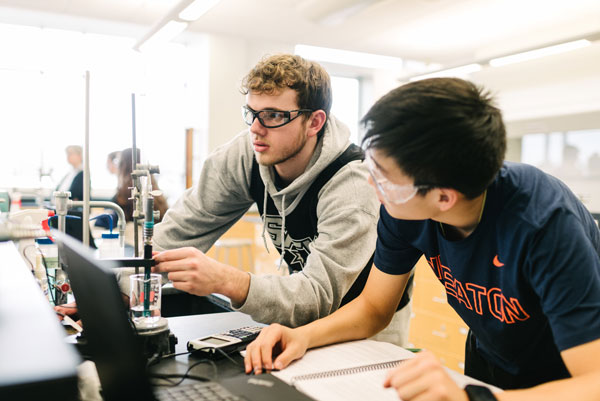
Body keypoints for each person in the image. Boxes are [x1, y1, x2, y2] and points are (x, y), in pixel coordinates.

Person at [244, 78, 600, 400]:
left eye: (383, 177)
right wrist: (303, 336)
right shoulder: (406, 208)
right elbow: (373, 308)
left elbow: (593, 381)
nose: (372, 184)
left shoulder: (544, 224)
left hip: (568, 373)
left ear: (443, 198)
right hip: (492, 357)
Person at [137, 53, 413, 342]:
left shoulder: (352, 184)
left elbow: (319, 296)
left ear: (314, 122)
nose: (255, 128)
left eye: (273, 115)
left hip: (365, 325)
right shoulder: (249, 152)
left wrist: (227, 280)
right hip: (301, 315)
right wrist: (121, 288)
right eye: (251, 113)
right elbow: (181, 229)